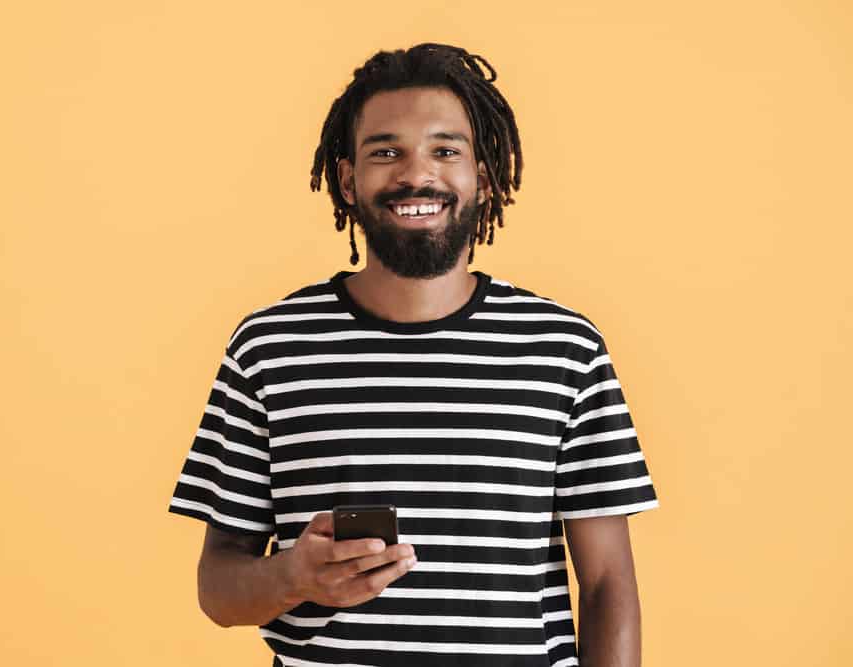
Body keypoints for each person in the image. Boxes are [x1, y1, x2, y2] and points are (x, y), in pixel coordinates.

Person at [168, 43, 659, 667]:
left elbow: (609, 585)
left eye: (445, 150)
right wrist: (296, 576)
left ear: (483, 175)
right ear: (348, 179)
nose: (415, 174)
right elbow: (217, 588)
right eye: (386, 151)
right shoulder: (269, 347)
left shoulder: (564, 348)